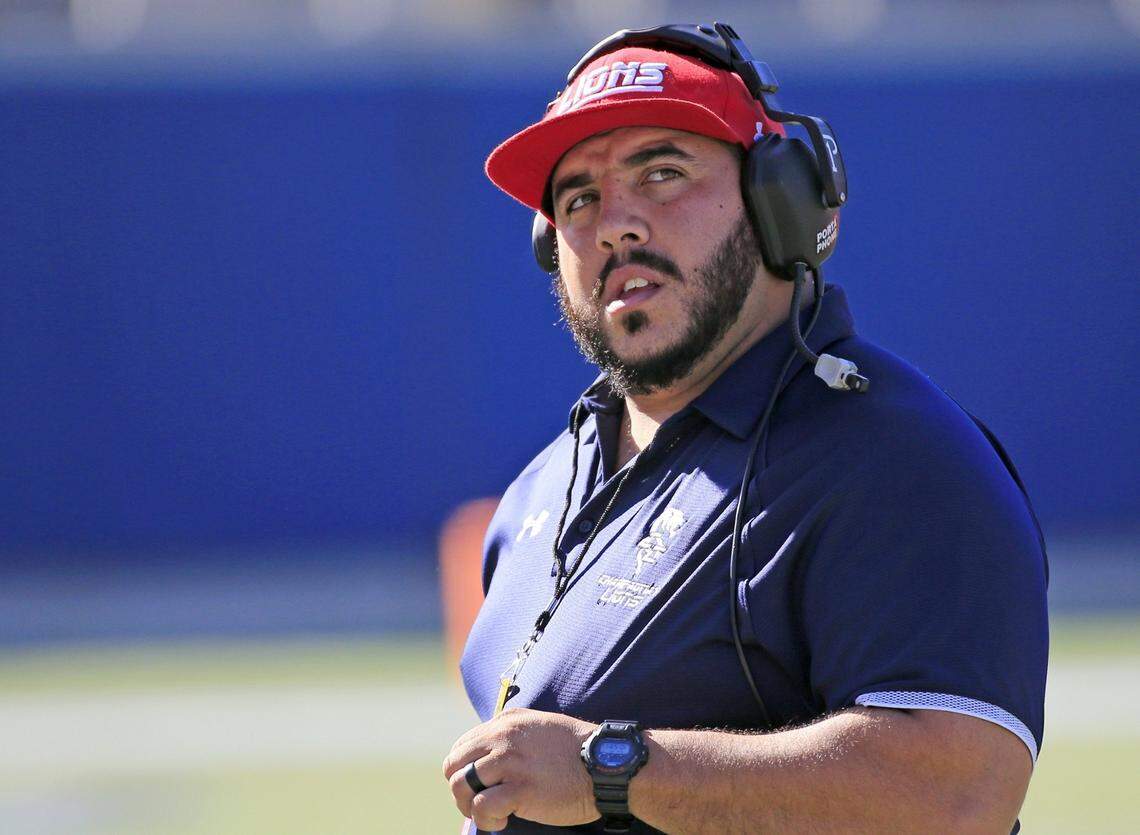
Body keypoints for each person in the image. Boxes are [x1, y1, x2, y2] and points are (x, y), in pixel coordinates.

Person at [444, 23, 1048, 834]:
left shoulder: (895, 459)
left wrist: (609, 768)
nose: (615, 223)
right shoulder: (539, 491)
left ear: (779, 201)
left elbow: (958, 793)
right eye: (578, 197)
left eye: (662, 173)